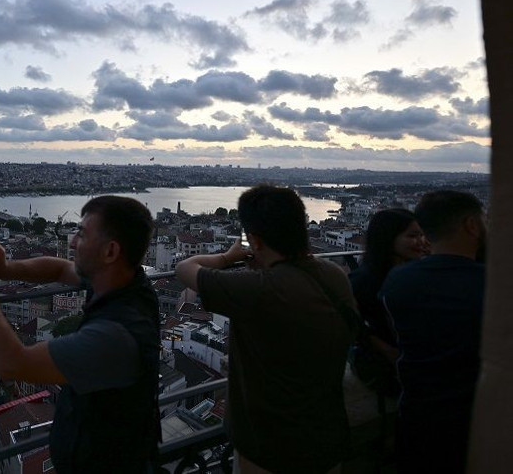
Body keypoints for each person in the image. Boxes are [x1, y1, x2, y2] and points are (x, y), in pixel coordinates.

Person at [0, 195, 160, 474]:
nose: (73, 241)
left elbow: (14, 364)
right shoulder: (124, 282)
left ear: (110, 252)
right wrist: (3, 269)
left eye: (81, 233)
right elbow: (60, 268)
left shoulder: (115, 337)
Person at [175, 185, 358, 474]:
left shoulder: (258, 289)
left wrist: (228, 257)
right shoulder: (333, 275)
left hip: (269, 447)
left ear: (255, 240)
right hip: (326, 436)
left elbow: (184, 268)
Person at [379, 190, 486, 474]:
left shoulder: (398, 281)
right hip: (477, 419)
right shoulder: (493, 283)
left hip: (417, 414)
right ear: (471, 225)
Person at [349, 208, 426, 395]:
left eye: (422, 235)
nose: (421, 241)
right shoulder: (364, 281)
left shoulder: (416, 274)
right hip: (387, 368)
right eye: (413, 236)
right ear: (389, 237)